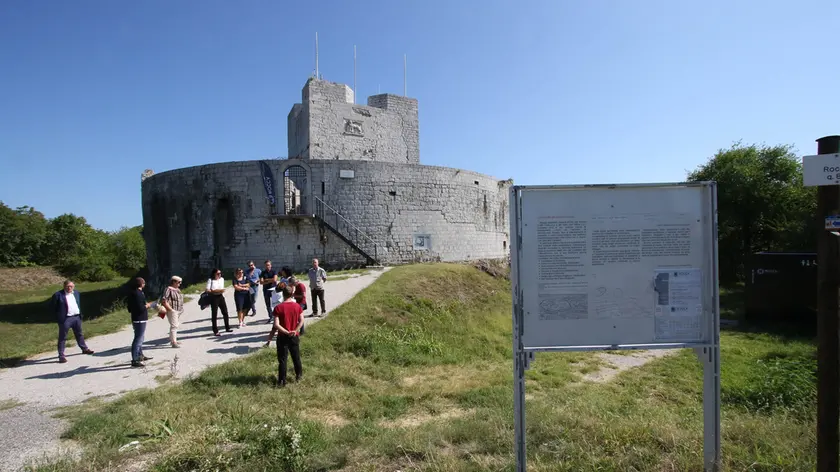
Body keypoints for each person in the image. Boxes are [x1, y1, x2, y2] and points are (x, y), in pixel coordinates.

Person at [49, 280, 95, 363]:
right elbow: (53, 307)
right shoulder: (58, 295)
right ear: (64, 286)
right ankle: (61, 355)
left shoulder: (76, 293)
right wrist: (59, 317)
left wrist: (80, 315)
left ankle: (84, 348)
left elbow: (77, 304)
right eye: (68, 286)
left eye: (71, 286)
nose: (70, 288)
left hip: (76, 317)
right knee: (63, 337)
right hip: (65, 319)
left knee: (79, 334)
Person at [271, 285, 303, 387]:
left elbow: (276, 325)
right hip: (294, 336)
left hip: (282, 337)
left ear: (282, 294)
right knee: (296, 357)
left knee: (283, 360)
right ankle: (299, 376)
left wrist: (286, 332)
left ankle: (282, 381)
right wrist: (295, 330)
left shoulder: (278, 308)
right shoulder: (297, 306)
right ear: (292, 294)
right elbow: (301, 320)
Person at [126, 277, 153, 367]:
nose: (144, 284)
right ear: (141, 284)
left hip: (135, 317)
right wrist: (148, 305)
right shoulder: (138, 294)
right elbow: (141, 307)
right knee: (138, 338)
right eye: (144, 283)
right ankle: (135, 359)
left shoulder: (132, 293)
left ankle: (140, 355)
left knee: (140, 337)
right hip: (139, 318)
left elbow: (129, 308)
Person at [205, 268, 232, 336]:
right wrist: (213, 291)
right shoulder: (210, 280)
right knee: (214, 314)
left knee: (225, 312)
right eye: (218, 273)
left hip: (220, 296)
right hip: (214, 297)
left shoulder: (221, 279)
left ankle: (227, 327)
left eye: (220, 273)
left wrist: (220, 290)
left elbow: (222, 288)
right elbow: (207, 290)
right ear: (214, 274)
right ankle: (215, 330)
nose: (219, 275)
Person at [161, 275, 184, 348]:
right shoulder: (168, 289)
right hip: (172, 310)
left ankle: (173, 340)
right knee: (174, 325)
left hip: (178, 310)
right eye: (178, 282)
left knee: (176, 325)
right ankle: (173, 342)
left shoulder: (177, 289)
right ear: (173, 282)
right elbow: (164, 300)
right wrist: (171, 310)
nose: (179, 284)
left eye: (180, 282)